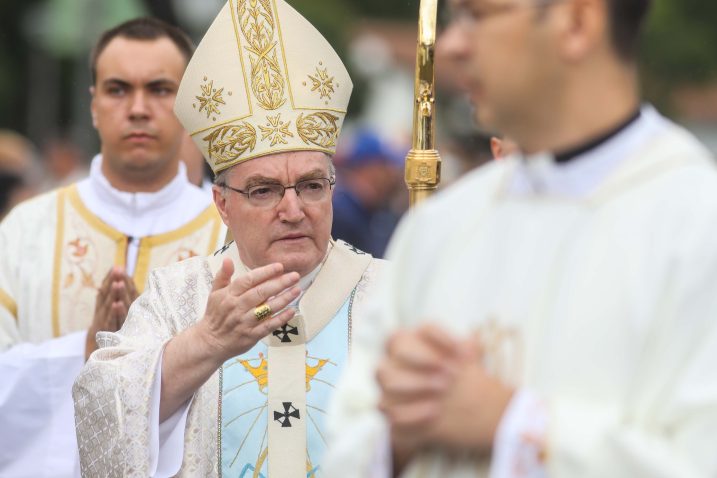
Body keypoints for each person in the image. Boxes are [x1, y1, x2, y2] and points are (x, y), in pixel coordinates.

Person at [325, 0, 717, 477]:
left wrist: (514, 424)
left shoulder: (696, 224)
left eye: (476, 15)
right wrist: (399, 437)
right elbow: (347, 440)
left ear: (577, 21)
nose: (450, 45)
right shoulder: (440, 227)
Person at [73, 2, 385, 477]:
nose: (293, 209)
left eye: (311, 185)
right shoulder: (176, 296)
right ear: (222, 203)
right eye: (264, 191)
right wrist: (207, 341)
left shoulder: (388, 293)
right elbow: (99, 408)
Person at [0, 18, 225, 477]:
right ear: (93, 105)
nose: (138, 108)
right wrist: (79, 351)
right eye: (118, 89)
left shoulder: (229, 234)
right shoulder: (25, 229)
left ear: (187, 106)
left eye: (160, 90)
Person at [332, 128, 405, 257]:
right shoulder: (342, 214)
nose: (392, 174)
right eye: (387, 166)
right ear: (371, 168)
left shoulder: (368, 208)